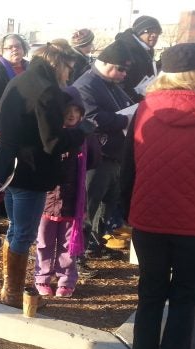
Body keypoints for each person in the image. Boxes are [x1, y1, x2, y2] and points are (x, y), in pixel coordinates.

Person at [120, 43, 195, 349]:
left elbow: (128, 167)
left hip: (149, 219)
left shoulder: (145, 108)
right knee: (184, 298)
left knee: (149, 294)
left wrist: (127, 210)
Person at [0, 39, 88, 308]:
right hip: (30, 171)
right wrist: (82, 132)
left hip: (8, 165)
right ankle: (13, 292)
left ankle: (11, 286)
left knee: (15, 230)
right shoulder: (46, 90)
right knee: (23, 233)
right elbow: (53, 142)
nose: (69, 74)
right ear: (59, 64)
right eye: (69, 68)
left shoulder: (20, 80)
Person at [34, 86, 99, 298]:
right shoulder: (51, 135)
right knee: (44, 240)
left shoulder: (86, 136)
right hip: (48, 198)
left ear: (81, 114)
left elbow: (93, 160)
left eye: (76, 111)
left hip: (73, 200)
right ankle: (42, 277)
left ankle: (66, 279)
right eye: (67, 111)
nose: (72, 115)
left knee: (67, 243)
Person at [73, 41, 134, 265]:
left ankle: (95, 244)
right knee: (88, 205)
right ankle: (77, 253)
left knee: (107, 203)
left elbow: (126, 103)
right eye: (120, 68)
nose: (124, 74)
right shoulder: (87, 84)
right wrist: (125, 119)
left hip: (113, 154)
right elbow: (92, 117)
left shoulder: (110, 83)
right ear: (104, 62)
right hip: (96, 156)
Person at [0, 33, 29, 163]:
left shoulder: (29, 67)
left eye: (18, 46)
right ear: (0, 51)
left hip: (24, 126)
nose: (14, 49)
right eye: (9, 47)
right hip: (3, 127)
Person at [115, 15, 162, 102]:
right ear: (138, 32)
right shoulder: (124, 50)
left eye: (157, 32)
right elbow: (117, 80)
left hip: (143, 99)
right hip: (129, 103)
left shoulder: (146, 50)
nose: (154, 35)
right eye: (149, 31)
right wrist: (134, 98)